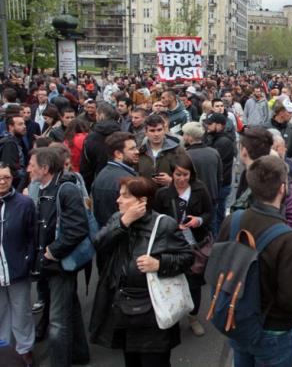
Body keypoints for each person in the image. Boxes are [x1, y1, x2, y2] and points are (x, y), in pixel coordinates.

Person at [89, 176, 193, 367]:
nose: (118, 200)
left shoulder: (164, 225)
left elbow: (188, 257)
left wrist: (160, 264)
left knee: (155, 361)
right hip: (123, 307)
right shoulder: (118, 219)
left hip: (152, 310)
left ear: (142, 201)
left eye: (124, 196)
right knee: (131, 360)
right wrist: (123, 223)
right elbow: (98, 244)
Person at [217, 155, 292, 367]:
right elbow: (291, 299)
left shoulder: (232, 220)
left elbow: (218, 268)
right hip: (272, 330)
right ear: (283, 189)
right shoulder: (287, 238)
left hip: (238, 320)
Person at [27, 147, 90, 367]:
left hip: (60, 264)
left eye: (32, 165)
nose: (28, 169)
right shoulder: (43, 187)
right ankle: (80, 354)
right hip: (53, 264)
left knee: (57, 322)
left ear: (44, 168)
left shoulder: (66, 190)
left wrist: (53, 252)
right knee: (69, 308)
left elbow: (77, 228)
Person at [153, 154, 213, 337]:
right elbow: (156, 218)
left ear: (191, 174)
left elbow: (209, 212)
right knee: (172, 282)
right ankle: (172, 316)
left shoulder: (200, 189)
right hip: (172, 246)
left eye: (185, 175)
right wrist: (170, 226)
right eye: (178, 174)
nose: (181, 179)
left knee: (194, 283)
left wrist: (199, 220)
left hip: (195, 244)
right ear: (172, 174)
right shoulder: (163, 193)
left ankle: (193, 318)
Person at [0, 163, 37, 366]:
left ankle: (24, 349)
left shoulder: (24, 203)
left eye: (6, 177)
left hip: (17, 268)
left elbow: (32, 235)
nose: (3, 181)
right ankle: (4, 351)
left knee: (21, 309)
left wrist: (27, 259)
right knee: (1, 311)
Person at [91, 132, 139, 228]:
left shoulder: (101, 175)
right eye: (132, 149)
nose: (137, 151)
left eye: (136, 147)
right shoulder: (127, 180)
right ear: (118, 154)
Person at [203, 113, 235, 235]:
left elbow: (213, 162)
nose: (208, 126)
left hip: (220, 185)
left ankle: (217, 241)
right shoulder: (214, 138)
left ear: (219, 125)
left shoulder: (223, 142)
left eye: (210, 124)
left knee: (216, 217)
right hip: (218, 184)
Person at [80, 102, 121, 191]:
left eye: (96, 114)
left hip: (99, 183)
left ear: (100, 115)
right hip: (122, 182)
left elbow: (86, 168)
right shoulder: (123, 135)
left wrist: (87, 190)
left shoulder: (90, 138)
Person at [137, 114, 187, 185]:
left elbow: (189, 176)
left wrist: (171, 181)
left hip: (171, 194)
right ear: (146, 132)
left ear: (164, 130)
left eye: (159, 130)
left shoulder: (177, 150)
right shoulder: (140, 153)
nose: (156, 134)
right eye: (152, 130)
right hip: (146, 194)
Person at [181, 122, 222, 205]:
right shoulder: (214, 152)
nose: (183, 137)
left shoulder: (186, 155)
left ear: (190, 137)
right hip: (212, 197)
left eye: (184, 134)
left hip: (193, 199)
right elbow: (219, 178)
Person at [269, 99, 292, 164]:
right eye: (289, 112)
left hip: (287, 170)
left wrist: (289, 163)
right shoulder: (265, 128)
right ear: (281, 113)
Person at [0, 114, 28, 190]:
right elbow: (10, 168)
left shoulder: (14, 140)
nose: (24, 126)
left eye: (24, 124)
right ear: (11, 127)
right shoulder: (10, 143)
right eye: (20, 124)